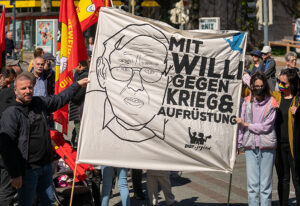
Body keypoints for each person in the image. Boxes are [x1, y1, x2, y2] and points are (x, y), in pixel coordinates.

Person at [0, 72, 89, 205]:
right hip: (27, 170)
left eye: (30, 88)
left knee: (49, 201)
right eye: (23, 88)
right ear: (15, 90)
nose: (27, 91)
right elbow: (7, 147)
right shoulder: (11, 113)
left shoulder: (39, 102)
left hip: (45, 167)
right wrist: (15, 174)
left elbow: (60, 99)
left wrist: (77, 85)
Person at [96, 24, 171, 143]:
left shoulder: (180, 130)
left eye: (150, 71)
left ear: (168, 79)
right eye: (124, 69)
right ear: (102, 72)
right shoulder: (91, 119)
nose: (136, 86)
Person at [237, 72, 278, 206]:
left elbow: (266, 127)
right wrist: (238, 144)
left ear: (264, 86)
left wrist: (247, 125)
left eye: (261, 86)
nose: (258, 89)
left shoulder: (272, 102)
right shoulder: (247, 101)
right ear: (252, 86)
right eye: (256, 86)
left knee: (265, 186)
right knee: (252, 185)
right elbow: (241, 125)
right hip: (250, 146)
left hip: (267, 146)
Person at [273, 69, 300, 206]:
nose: (280, 85)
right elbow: (258, 94)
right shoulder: (276, 97)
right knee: (283, 179)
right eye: (279, 82)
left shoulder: (298, 100)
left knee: (297, 179)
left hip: (295, 147)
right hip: (279, 146)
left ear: (292, 84)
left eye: (283, 83)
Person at [69, 60, 89, 148]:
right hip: (79, 112)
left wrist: (68, 93)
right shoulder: (81, 75)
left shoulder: (84, 76)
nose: (73, 68)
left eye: (74, 65)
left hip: (79, 112)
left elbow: (77, 96)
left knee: (80, 134)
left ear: (80, 65)